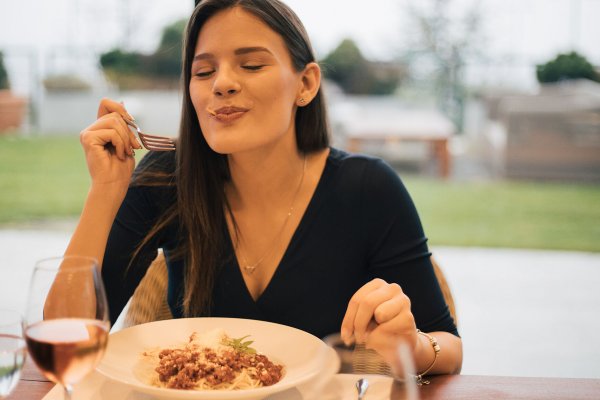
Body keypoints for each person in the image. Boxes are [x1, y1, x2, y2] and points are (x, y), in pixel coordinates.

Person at [68, 0, 462, 377]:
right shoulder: (167, 178)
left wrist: (411, 344)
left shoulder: (367, 189)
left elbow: (450, 349)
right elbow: (68, 341)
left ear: (305, 84)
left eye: (251, 64)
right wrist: (105, 190)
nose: (221, 83)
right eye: (203, 72)